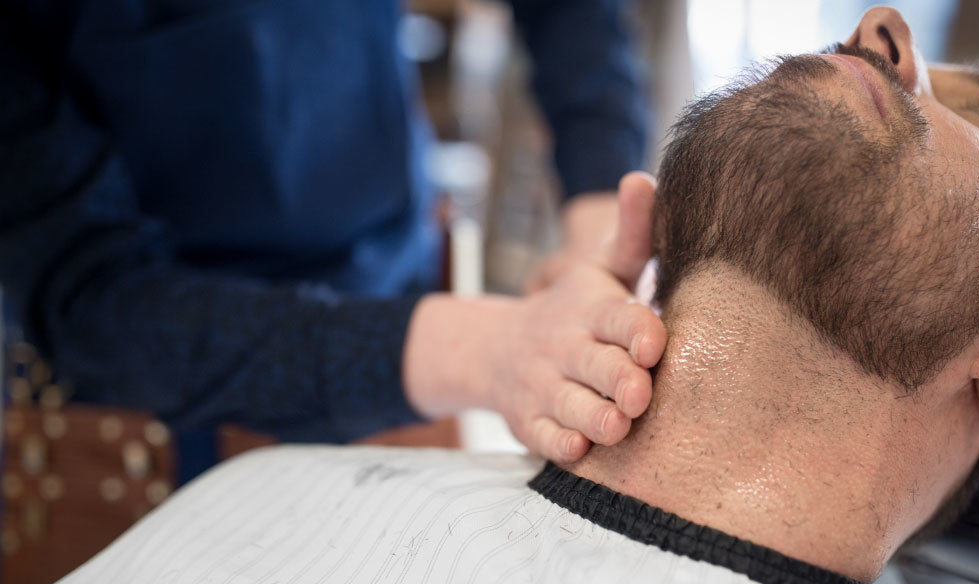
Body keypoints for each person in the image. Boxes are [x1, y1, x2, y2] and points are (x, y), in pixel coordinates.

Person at [2, 6, 979, 584]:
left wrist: (590, 198)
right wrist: (478, 349)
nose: (878, 26)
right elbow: (84, 301)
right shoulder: (247, 505)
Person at [0, 0, 666, 478]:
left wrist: (601, 210)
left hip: (400, 311)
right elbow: (92, 299)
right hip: (149, 415)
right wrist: (483, 350)